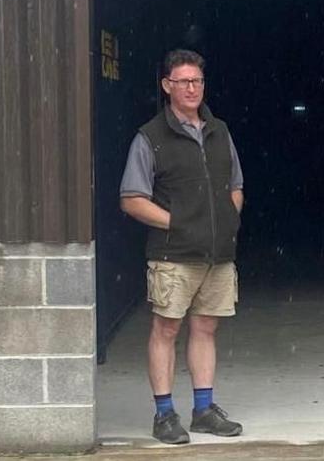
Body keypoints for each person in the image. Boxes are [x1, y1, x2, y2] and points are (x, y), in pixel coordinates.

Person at [119, 49, 245, 444]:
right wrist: (180, 224)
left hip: (217, 254)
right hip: (173, 255)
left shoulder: (219, 130)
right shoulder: (150, 138)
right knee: (166, 329)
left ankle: (204, 410)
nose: (192, 88)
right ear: (167, 86)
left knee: (206, 327)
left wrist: (226, 219)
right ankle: (164, 414)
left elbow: (236, 186)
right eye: (184, 82)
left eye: (198, 81)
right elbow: (132, 198)